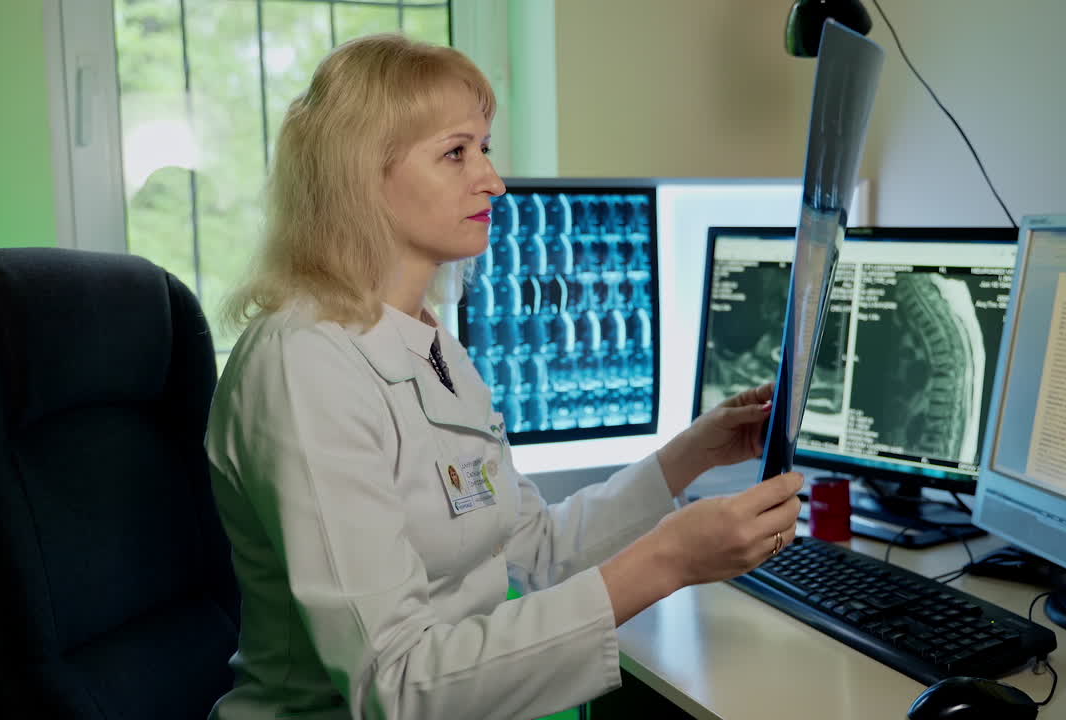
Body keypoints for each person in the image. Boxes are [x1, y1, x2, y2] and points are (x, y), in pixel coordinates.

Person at [205, 32, 803, 720]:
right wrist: (666, 560)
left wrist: (689, 457)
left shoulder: (429, 342)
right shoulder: (302, 364)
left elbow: (532, 548)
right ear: (359, 173)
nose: (493, 179)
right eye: (457, 152)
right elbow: (393, 685)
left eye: (484, 149)